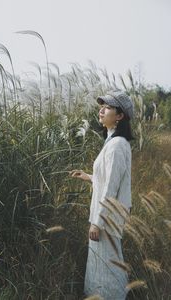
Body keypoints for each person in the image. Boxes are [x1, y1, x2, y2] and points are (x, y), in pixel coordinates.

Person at [69, 90, 134, 300]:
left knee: (107, 267)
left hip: (106, 219)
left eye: (107, 107)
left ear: (120, 115)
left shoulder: (116, 146)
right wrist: (89, 176)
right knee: (104, 265)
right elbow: (108, 179)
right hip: (107, 217)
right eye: (102, 105)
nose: (101, 109)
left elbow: (111, 188)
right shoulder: (113, 142)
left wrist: (97, 222)